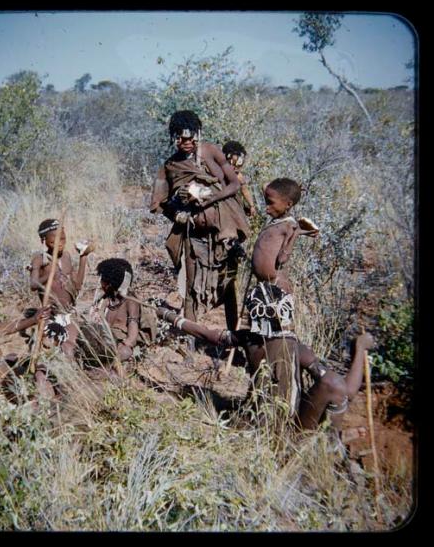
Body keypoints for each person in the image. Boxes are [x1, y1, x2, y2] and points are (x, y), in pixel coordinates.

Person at [156, 305, 374, 435]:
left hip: (258, 419)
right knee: (333, 384)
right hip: (291, 427)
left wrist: (170, 316)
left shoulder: (249, 339)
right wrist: (359, 349)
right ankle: (327, 444)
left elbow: (206, 334)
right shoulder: (297, 348)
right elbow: (346, 390)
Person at [150, 110, 250, 358]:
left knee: (228, 287)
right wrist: (177, 215)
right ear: (173, 138)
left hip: (223, 235)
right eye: (180, 138)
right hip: (194, 235)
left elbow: (234, 184)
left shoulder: (210, 151)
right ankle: (190, 345)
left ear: (198, 134)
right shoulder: (170, 166)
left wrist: (212, 198)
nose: (186, 142)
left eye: (190, 137)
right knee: (193, 289)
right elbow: (159, 204)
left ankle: (233, 343)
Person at [29, 218, 94, 358]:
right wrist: (51, 274)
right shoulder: (40, 260)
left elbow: (77, 286)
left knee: (69, 349)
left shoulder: (66, 257)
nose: (60, 243)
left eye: (63, 239)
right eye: (54, 240)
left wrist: (83, 258)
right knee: (47, 350)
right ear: (43, 240)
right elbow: (33, 285)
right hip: (49, 316)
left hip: (68, 315)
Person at [82, 258, 155, 377]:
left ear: (110, 284)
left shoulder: (131, 302)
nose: (100, 283)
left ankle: (104, 369)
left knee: (125, 352)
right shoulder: (105, 299)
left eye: (103, 280)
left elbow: (131, 336)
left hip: (118, 346)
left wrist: (123, 345)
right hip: (103, 343)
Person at [222, 141, 257, 217]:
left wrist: (252, 206)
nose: (235, 167)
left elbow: (245, 190)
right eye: (232, 163)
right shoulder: (216, 169)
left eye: (238, 164)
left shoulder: (238, 176)